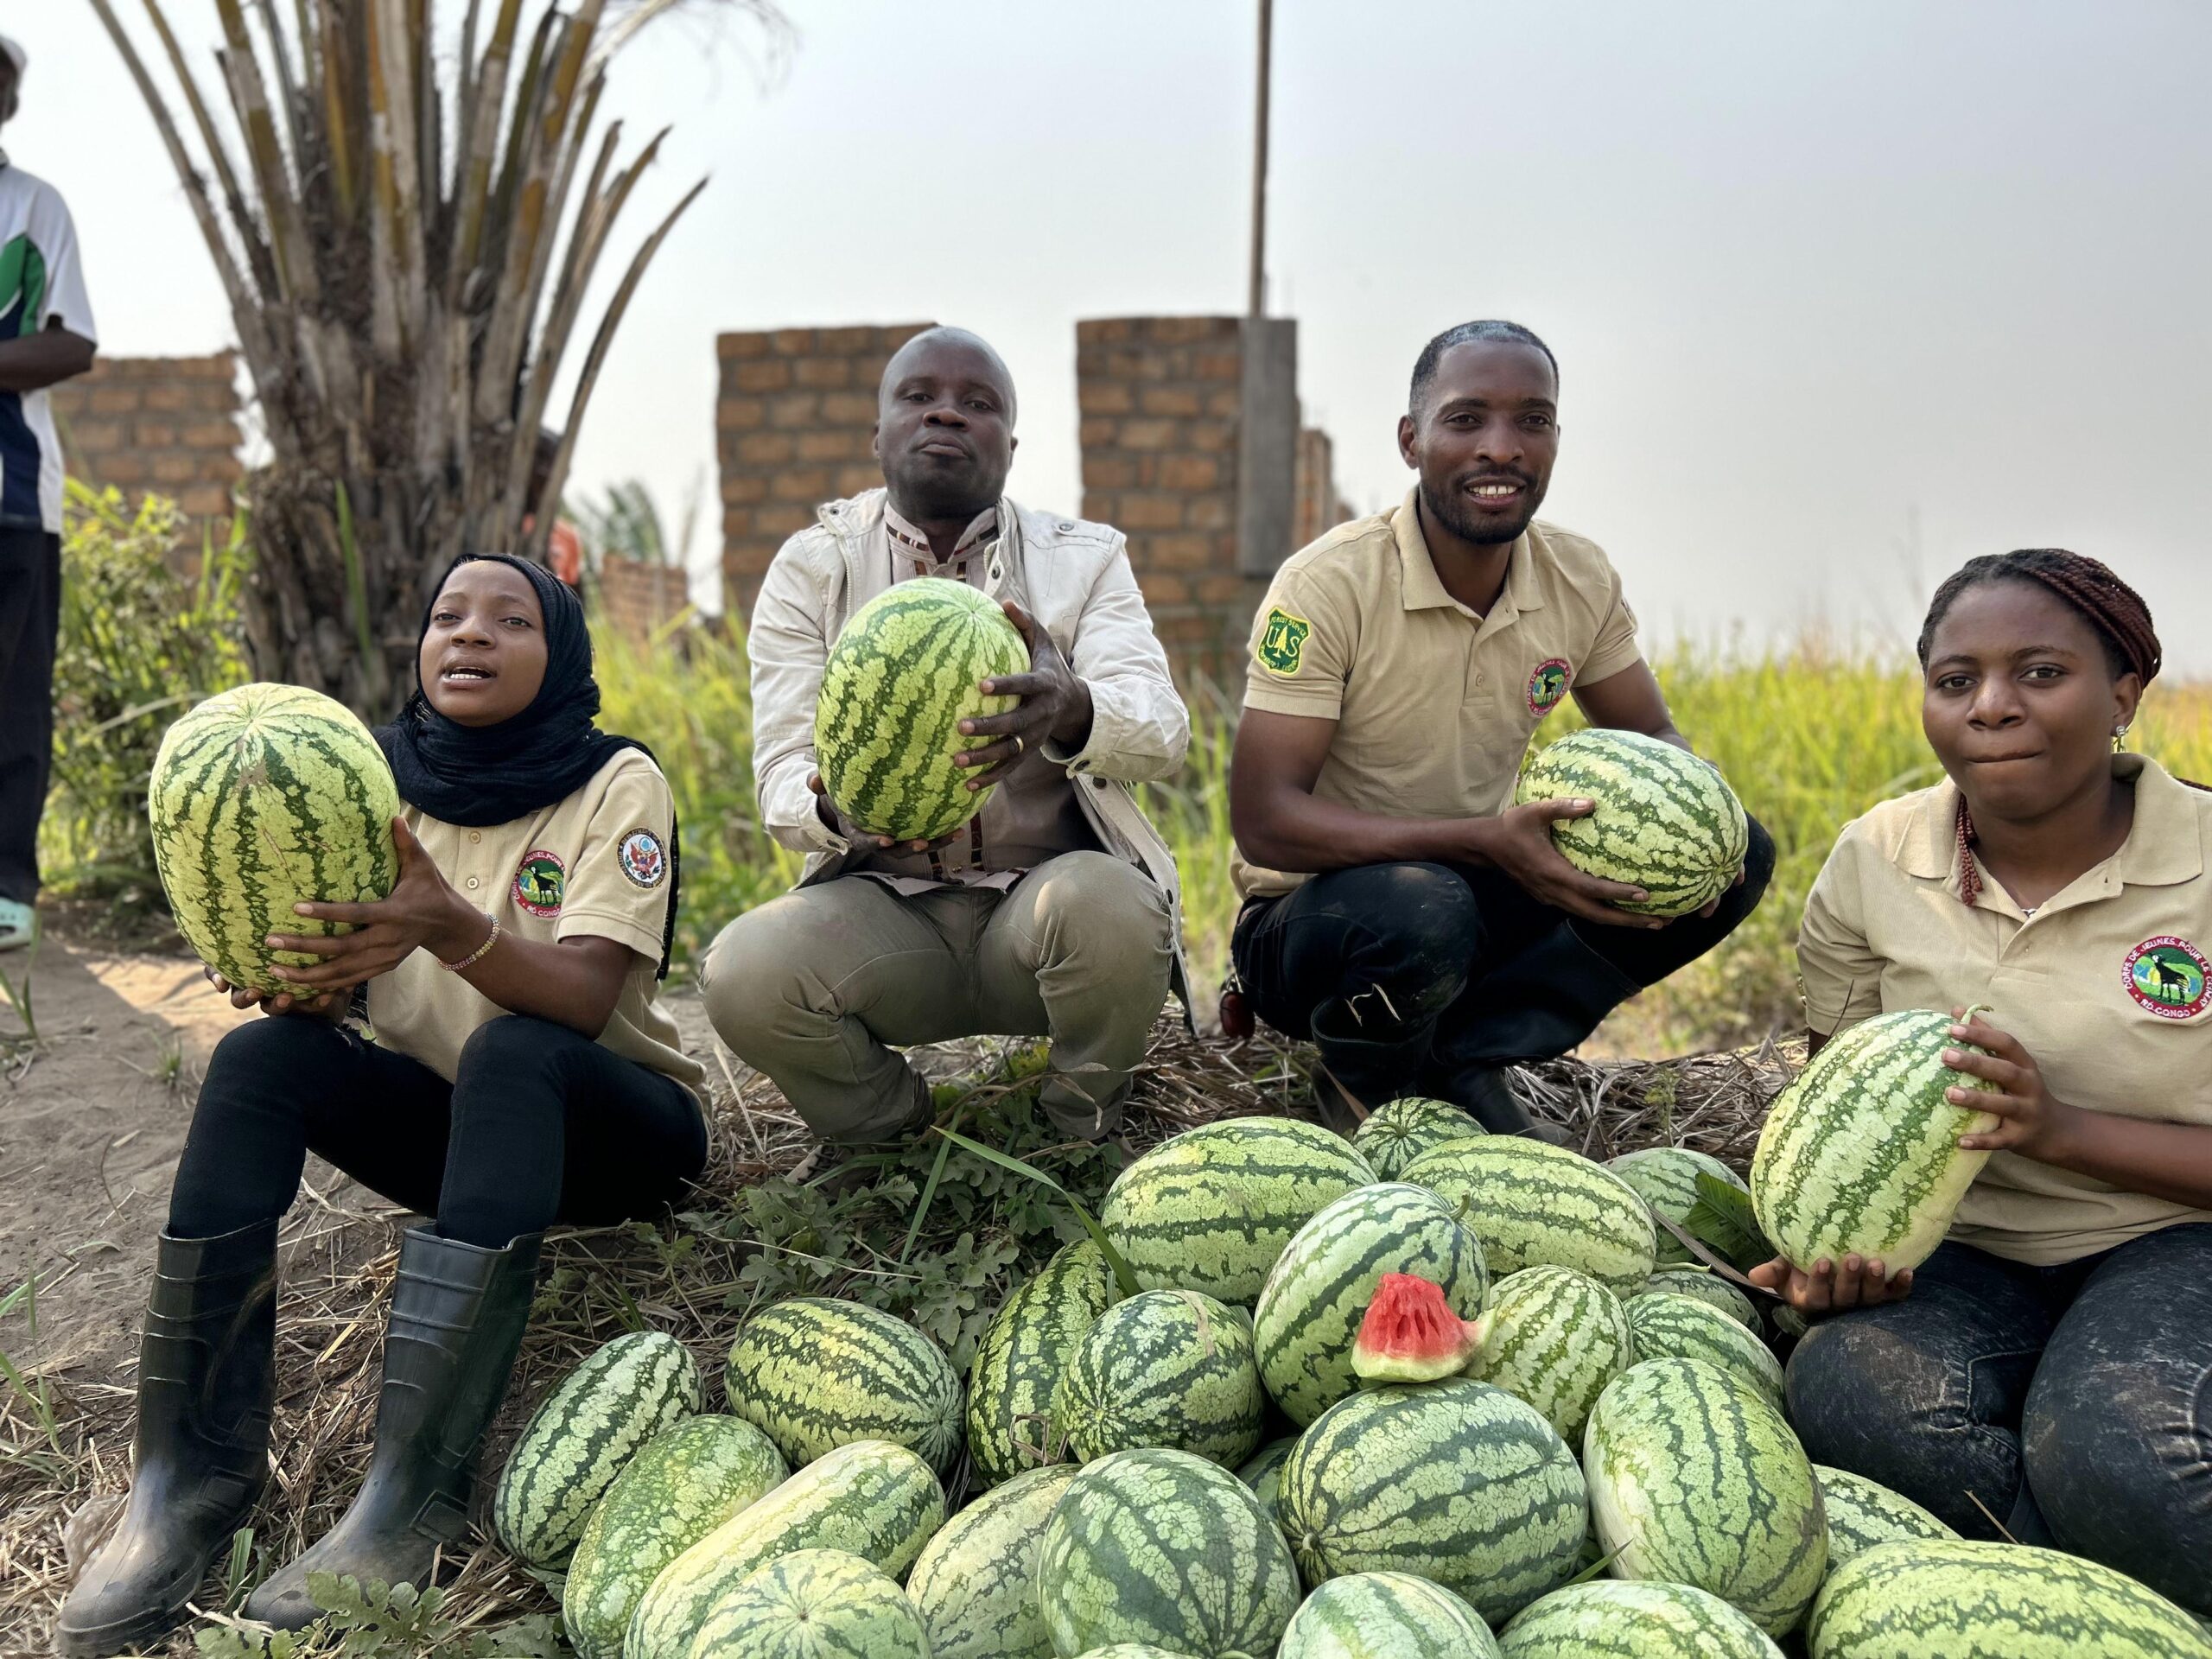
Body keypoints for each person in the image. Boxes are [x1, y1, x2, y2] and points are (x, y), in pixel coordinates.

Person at [56, 555, 707, 1653]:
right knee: (262, 1057)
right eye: (448, 616)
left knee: (514, 1050)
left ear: (561, 654)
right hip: (464, 1141)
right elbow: (339, 987)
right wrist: (291, 975)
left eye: (510, 620)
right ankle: (187, 1480)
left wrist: (451, 926)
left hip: (617, 1134)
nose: (471, 634)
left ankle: (411, 1498)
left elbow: (588, 999)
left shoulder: (614, 782)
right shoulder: (371, 782)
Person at [1751, 550, 2212, 1615]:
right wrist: (1832, 1256)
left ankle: (2092, 1542)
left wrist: (2058, 1130)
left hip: (2173, 1239)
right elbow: (1835, 1110)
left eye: (2040, 673)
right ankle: (2097, 1605)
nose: (1991, 706)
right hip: (1962, 1253)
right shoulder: (1875, 858)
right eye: (1955, 680)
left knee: (2117, 1449)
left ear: (2124, 695)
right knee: (1851, 1402)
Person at [1226, 320, 1773, 1134]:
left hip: (1481, 881)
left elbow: (1654, 733)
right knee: (1427, 906)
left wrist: (1694, 816)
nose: (1502, 448)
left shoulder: (1578, 576)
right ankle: (1363, 1082)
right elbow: (1266, 820)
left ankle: (1467, 1055)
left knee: (1738, 855)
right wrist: (1483, 841)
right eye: (1466, 419)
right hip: (1317, 921)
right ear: (1411, 441)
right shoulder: (1328, 586)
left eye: (1532, 421)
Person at [702, 327, 1186, 1152]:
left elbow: (1163, 728)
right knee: (745, 972)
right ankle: (898, 1139)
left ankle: (1075, 1137)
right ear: (878, 434)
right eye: (919, 397)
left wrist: (1071, 708)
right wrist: (836, 811)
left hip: (1041, 916)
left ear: (1011, 445)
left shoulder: (1086, 561)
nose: (947, 415)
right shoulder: (813, 570)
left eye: (978, 403)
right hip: (886, 917)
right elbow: (781, 772)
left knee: (1115, 908)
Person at [0, 31, 98, 951]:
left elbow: (71, 341)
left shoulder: (34, 208)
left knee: (14, 696)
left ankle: (8, 891)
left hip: (15, 499)